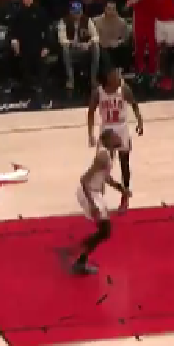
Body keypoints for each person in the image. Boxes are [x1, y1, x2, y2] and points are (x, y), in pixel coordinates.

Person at [73, 128, 132, 275]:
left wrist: (121, 189)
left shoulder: (109, 155)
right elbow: (84, 179)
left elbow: (106, 178)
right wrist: (92, 204)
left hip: (94, 194)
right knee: (105, 230)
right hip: (88, 193)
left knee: (105, 231)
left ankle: (82, 252)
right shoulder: (103, 156)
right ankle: (81, 256)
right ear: (109, 140)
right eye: (115, 135)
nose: (118, 136)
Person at [87, 66, 145, 205]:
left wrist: (140, 122)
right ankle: (98, 197)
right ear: (108, 77)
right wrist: (90, 134)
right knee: (102, 166)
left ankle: (125, 197)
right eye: (116, 74)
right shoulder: (98, 92)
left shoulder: (124, 89)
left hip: (121, 128)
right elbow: (90, 112)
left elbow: (134, 105)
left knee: (124, 164)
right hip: (106, 130)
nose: (119, 76)